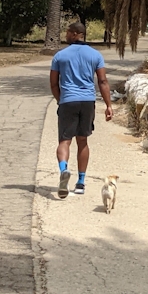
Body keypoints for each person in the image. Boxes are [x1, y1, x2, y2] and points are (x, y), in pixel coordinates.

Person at [49, 20, 113, 198]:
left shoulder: (60, 56)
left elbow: (54, 83)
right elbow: (102, 81)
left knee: (65, 141)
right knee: (82, 141)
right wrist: (108, 105)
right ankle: (81, 183)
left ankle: (63, 170)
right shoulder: (95, 55)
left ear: (76, 33)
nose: (66, 35)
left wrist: (60, 100)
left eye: (68, 32)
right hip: (87, 101)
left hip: (67, 101)